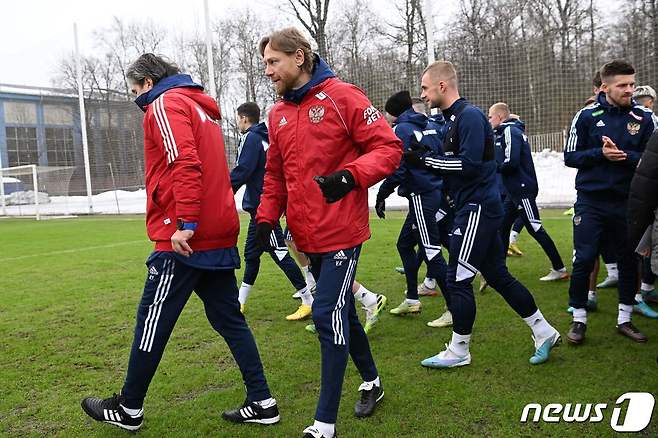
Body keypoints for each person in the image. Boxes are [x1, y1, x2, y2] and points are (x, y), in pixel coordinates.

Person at [80, 54, 279, 430]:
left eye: (136, 90)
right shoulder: (195, 105)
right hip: (216, 230)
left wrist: (185, 222)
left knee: (151, 318)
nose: (136, 98)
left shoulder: (165, 104)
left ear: (149, 82)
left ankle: (129, 406)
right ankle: (263, 400)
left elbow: (184, 163)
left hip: (187, 236)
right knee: (230, 320)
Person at [256, 28, 402, 438]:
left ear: (299, 57)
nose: (268, 71)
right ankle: (372, 382)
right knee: (342, 315)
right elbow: (275, 175)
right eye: (265, 63)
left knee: (326, 313)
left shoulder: (344, 97)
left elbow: (389, 149)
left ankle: (324, 425)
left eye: (273, 62)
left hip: (342, 231)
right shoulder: (279, 114)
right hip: (306, 236)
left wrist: (350, 177)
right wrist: (266, 219)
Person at [404, 61, 560, 368]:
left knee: (458, 278)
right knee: (498, 276)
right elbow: (455, 166)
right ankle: (544, 331)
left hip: (479, 208)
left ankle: (459, 350)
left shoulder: (470, 116)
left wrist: (428, 163)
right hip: (470, 207)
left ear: (442, 86)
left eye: (425, 87)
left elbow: (471, 165)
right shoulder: (451, 121)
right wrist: (427, 159)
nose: (422, 94)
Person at [564, 60, 655, 344]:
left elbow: (653, 162)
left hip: (629, 202)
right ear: (605, 87)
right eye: (623, 85)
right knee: (584, 259)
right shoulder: (586, 116)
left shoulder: (644, 118)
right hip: (591, 200)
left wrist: (625, 156)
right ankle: (578, 319)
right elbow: (570, 157)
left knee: (629, 261)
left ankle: (624, 318)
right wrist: (600, 154)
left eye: (632, 84)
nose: (630, 90)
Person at [230, 101, 313, 320]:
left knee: (279, 253)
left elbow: (243, 171)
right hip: (264, 205)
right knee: (251, 255)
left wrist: (223, 192)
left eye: (238, 118)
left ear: (244, 118)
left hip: (263, 206)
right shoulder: (265, 138)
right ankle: (240, 300)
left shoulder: (251, 138)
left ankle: (308, 299)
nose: (238, 122)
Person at [376, 91, 451, 328]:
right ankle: (412, 298)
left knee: (431, 251)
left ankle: (454, 308)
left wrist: (381, 194)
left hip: (421, 196)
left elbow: (399, 170)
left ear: (392, 112)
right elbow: (440, 158)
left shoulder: (401, 130)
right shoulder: (430, 125)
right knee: (405, 244)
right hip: (435, 193)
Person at [488, 102, 568, 281]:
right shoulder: (507, 132)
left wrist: (493, 167)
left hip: (521, 189)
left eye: (490, 116)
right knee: (502, 227)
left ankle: (560, 268)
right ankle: (499, 271)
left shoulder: (509, 131)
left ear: (500, 117)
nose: (488, 119)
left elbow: (511, 161)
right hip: (513, 191)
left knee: (535, 228)